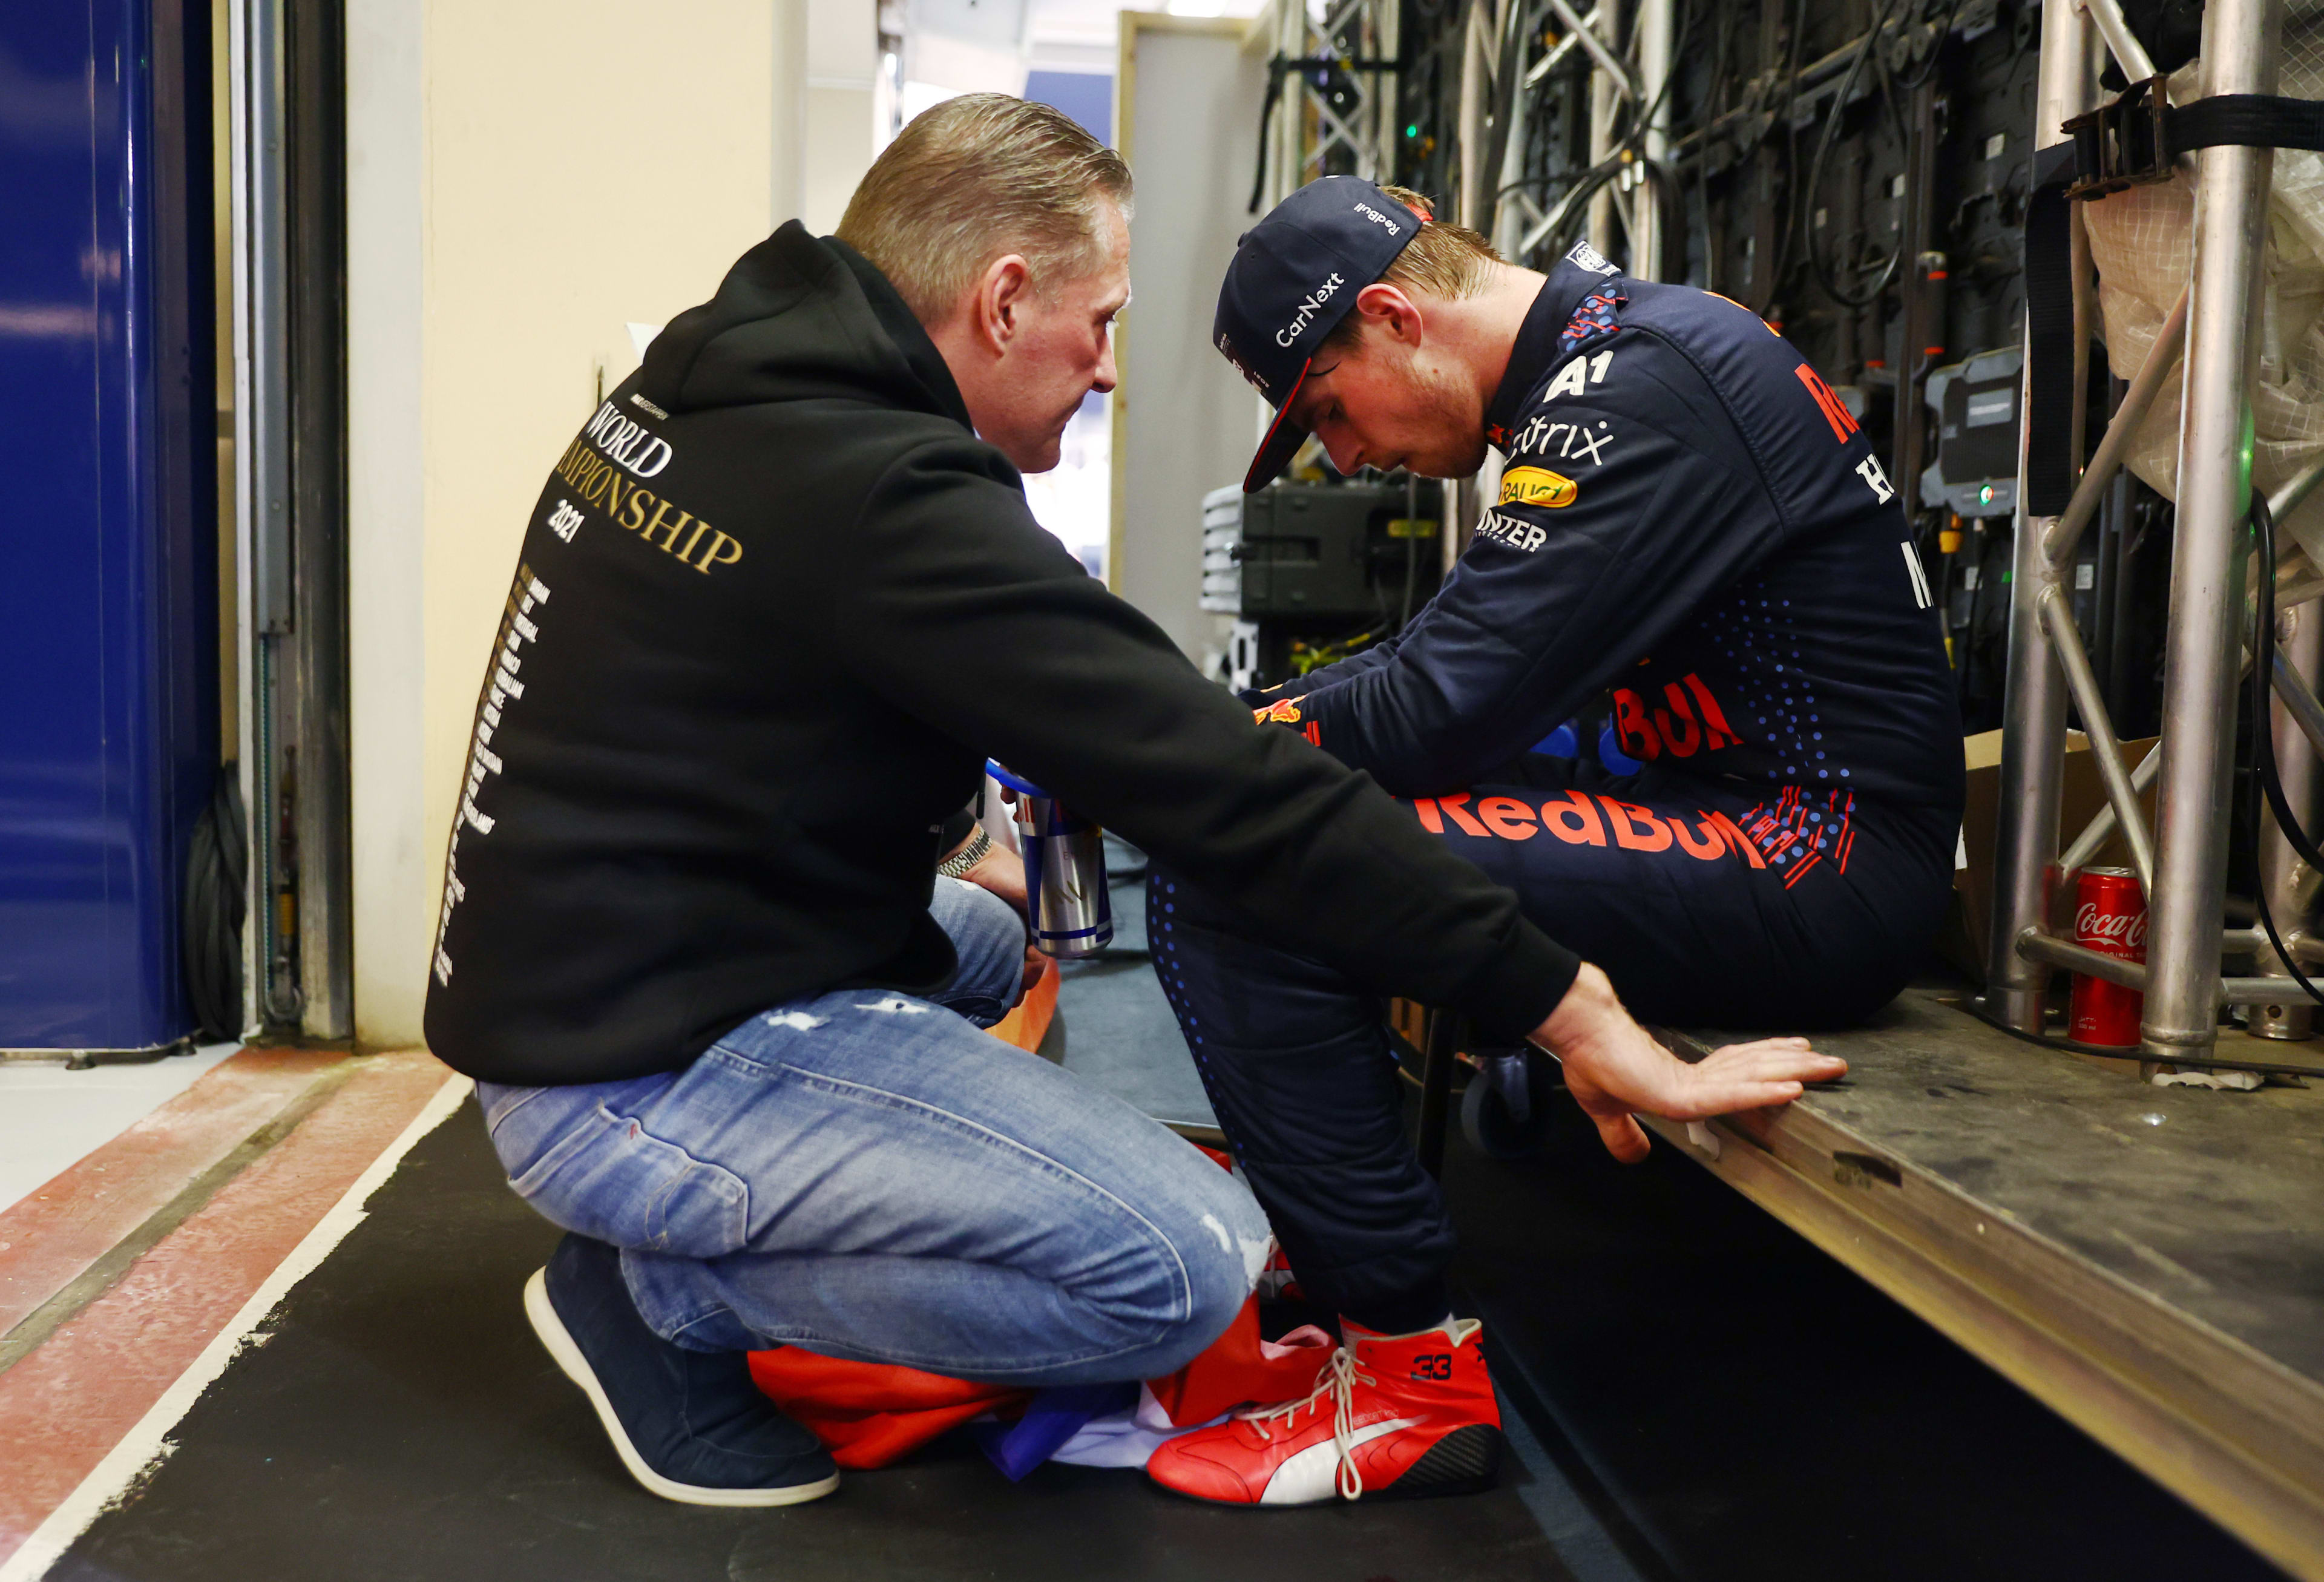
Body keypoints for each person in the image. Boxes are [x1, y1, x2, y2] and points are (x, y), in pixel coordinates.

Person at [422, 99, 1842, 1512]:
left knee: (984, 944)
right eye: (1097, 325)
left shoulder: (720, 388)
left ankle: (725, 1202)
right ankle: (666, 1294)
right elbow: (1232, 797)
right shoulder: (879, 497)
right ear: (1002, 299)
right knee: (1181, 1266)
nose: (1106, 371)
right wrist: (1571, 1005)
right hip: (630, 1070)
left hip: (581, 972)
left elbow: (760, 699)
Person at [1132, 177, 1960, 1505]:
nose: (1342, 458)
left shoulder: (1637, 385)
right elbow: (1440, 668)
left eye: (1329, 410)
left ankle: (1407, 1374)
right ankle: (1336, 1257)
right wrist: (1249, 733)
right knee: (1279, 823)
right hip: (1710, 811)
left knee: (1247, 864)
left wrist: (1200, 744)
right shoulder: (1590, 370)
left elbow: (1439, 707)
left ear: (1395, 316)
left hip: (1818, 853)